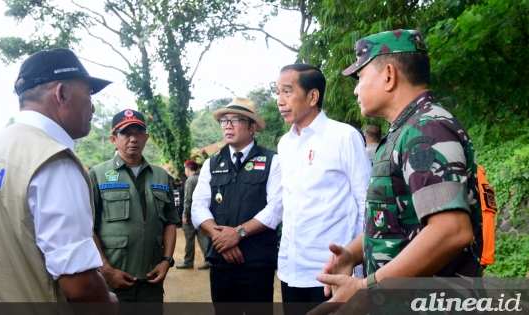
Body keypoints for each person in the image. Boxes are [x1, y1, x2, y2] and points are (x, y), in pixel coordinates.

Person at [317, 29, 482, 305]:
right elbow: (393, 221)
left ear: (389, 75)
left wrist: (365, 288)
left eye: (359, 77)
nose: (356, 89)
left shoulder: (425, 130)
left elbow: (450, 231)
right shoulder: (404, 130)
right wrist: (352, 254)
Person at [0, 48, 117, 303]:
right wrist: (109, 304)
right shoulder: (52, 161)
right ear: (61, 93)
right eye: (88, 94)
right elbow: (80, 285)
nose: (92, 107)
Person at [275, 63, 370, 314]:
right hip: (291, 269)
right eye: (277, 93)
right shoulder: (285, 144)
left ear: (313, 96)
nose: (280, 101)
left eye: (287, 92)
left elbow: (366, 203)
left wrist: (357, 260)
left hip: (333, 270)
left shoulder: (344, 136)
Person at [191, 97, 283, 315]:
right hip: (221, 260)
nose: (228, 125)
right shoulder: (211, 164)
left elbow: (276, 208)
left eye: (235, 120)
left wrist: (238, 233)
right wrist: (221, 237)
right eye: (224, 120)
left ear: (252, 128)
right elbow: (198, 206)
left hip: (256, 262)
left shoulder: (272, 161)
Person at [89, 109, 180, 304]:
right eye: (126, 133)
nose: (133, 139)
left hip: (151, 278)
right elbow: (87, 227)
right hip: (113, 278)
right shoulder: (97, 174)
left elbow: (170, 222)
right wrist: (105, 269)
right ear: (114, 139)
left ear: (146, 137)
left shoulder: (161, 176)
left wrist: (166, 261)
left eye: (138, 133)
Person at [176, 160, 209, 270]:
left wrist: (185, 215)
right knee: (203, 237)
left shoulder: (190, 180)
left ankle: (188, 261)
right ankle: (208, 259)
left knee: (189, 239)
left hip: (191, 215)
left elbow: (188, 199)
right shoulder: (202, 178)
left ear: (188, 170)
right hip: (202, 214)